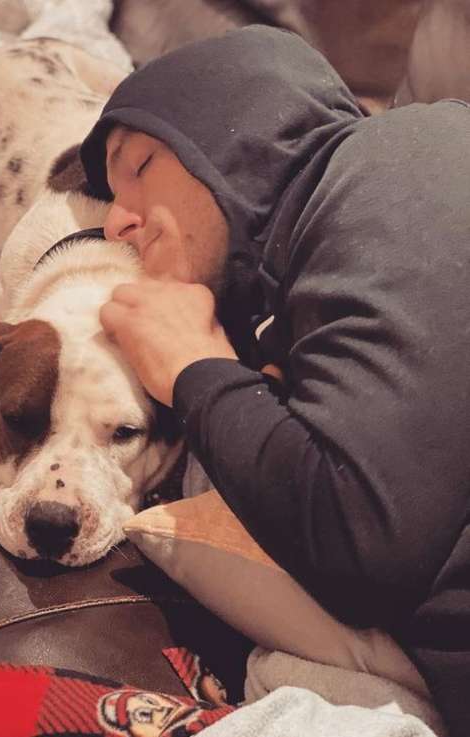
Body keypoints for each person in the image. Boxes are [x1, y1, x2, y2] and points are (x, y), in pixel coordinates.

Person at [78, 25, 470, 737]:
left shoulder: (402, 161)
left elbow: (363, 539)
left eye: (140, 164)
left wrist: (195, 369)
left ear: (241, 127)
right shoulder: (290, 299)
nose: (117, 224)